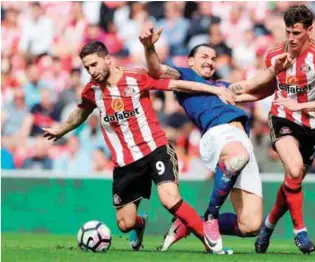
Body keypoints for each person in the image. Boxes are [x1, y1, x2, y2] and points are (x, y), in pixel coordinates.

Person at [42, 41, 235, 254]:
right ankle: (140, 224)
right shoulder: (92, 91)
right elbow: (81, 112)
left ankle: (212, 246)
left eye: (94, 64)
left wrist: (214, 90)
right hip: (126, 163)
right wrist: (61, 129)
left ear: (107, 59)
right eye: (87, 67)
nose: (91, 71)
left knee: (169, 199)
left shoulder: (136, 77)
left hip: (156, 149)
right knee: (125, 224)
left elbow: (178, 85)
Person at [139, 25, 286, 252]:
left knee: (250, 225)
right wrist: (149, 47)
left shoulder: (223, 85)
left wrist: (276, 71)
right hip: (218, 134)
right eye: (204, 56)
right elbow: (157, 70)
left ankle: (188, 222)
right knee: (238, 156)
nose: (210, 61)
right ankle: (210, 216)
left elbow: (253, 90)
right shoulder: (185, 76)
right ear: (191, 61)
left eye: (214, 58)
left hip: (240, 141)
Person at [231, 5, 315, 254]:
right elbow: (270, 88)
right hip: (282, 117)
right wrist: (244, 97)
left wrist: (303, 104)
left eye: (296, 32)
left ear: (310, 30)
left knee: (292, 181)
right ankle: (300, 232)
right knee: (293, 169)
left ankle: (268, 227)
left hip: (312, 125)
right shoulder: (274, 55)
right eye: (288, 32)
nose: (291, 38)